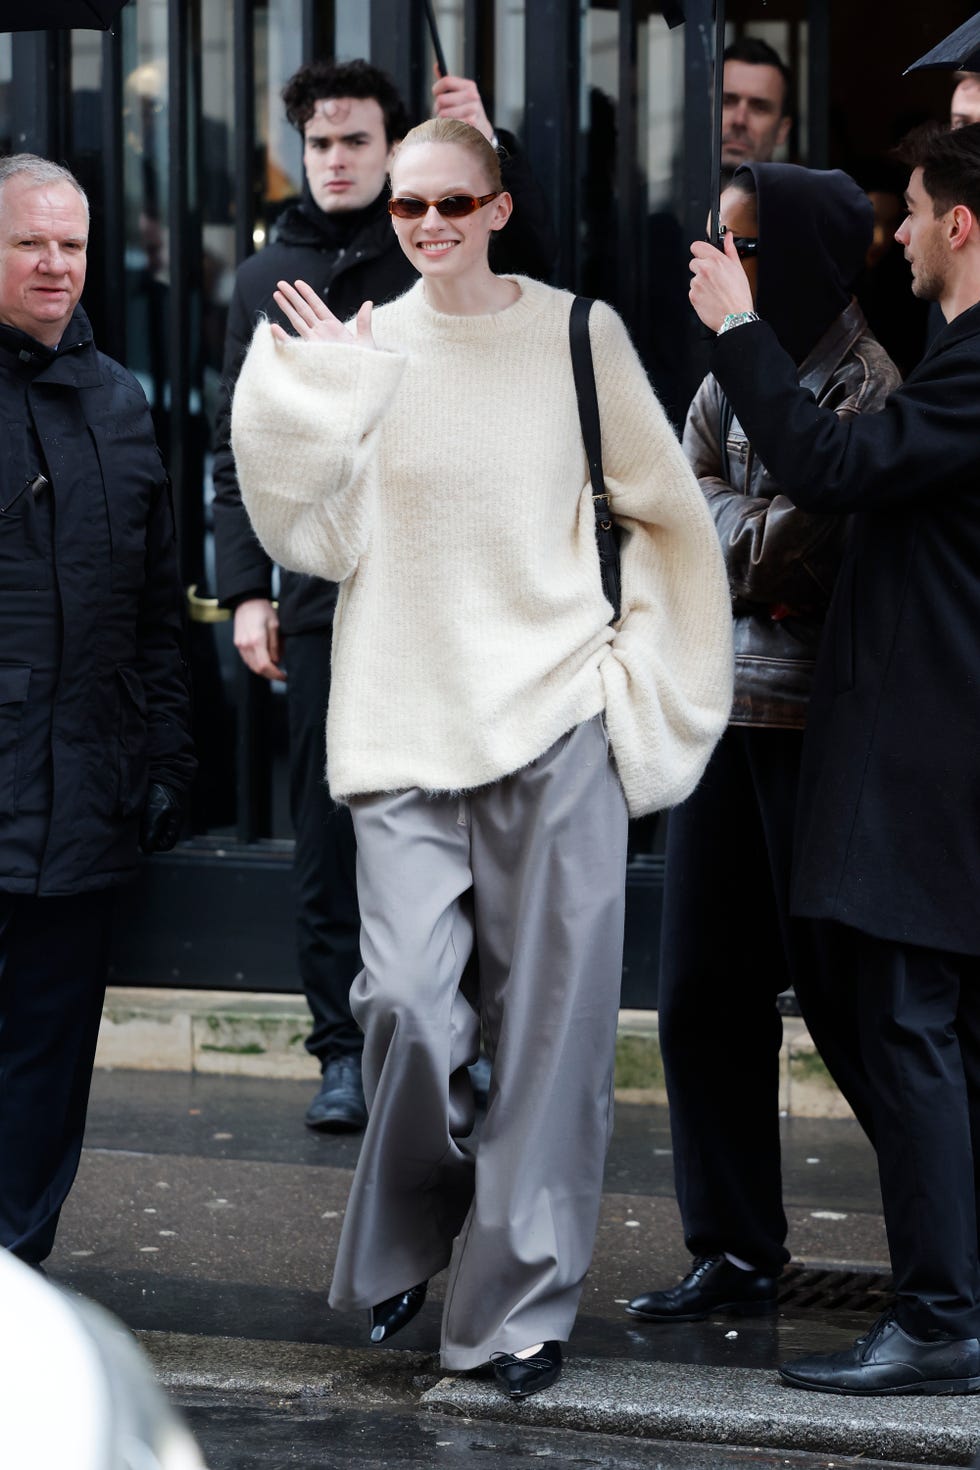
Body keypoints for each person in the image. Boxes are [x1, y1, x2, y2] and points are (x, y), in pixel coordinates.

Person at [230, 117, 732, 1398]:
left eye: (455, 203)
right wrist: (330, 393)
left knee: (554, 1041)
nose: (431, 226)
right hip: (402, 728)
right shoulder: (369, 346)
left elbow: (671, 518)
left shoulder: (581, 334)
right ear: (388, 218)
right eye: (408, 209)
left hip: (555, 720)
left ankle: (513, 1315)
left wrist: (640, 693)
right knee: (401, 1000)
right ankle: (415, 1228)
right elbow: (311, 537)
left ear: (500, 208)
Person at [687, 120, 980, 1395]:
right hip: (912, 744)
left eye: (910, 212)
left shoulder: (960, 369)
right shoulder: (953, 361)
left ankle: (938, 1317)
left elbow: (823, 471)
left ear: (957, 225)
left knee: (906, 1030)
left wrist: (735, 330)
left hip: (926, 748)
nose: (896, 236)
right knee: (910, 1026)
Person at [212, 59, 557, 1135]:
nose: (337, 160)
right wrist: (243, 595)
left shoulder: (438, 246)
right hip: (323, 587)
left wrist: (486, 152)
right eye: (320, 143)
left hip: (453, 582)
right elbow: (236, 448)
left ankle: (464, 1035)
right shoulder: (264, 275)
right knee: (329, 826)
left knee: (461, 815)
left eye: (358, 141)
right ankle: (341, 1050)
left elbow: (534, 308)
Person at [627, 164, 897, 1329]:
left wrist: (724, 548)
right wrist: (725, 550)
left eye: (733, 239)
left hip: (811, 732)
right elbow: (662, 520)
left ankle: (951, 1249)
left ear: (787, 254)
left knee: (852, 1006)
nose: (711, 256)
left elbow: (785, 550)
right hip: (711, 716)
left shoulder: (868, 386)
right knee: (698, 994)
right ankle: (732, 1248)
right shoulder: (725, 372)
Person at [0, 155, 195, 1268]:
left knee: (47, 1064)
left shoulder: (118, 399)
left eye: (71, 245)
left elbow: (152, 612)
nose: (56, 266)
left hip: (84, 794)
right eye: (32, 242)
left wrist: (165, 755)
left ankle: (16, 1290)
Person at [720, 38, 793, 186]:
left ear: (782, 130)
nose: (739, 120)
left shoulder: (801, 209)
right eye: (727, 101)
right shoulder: (667, 204)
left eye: (759, 107)